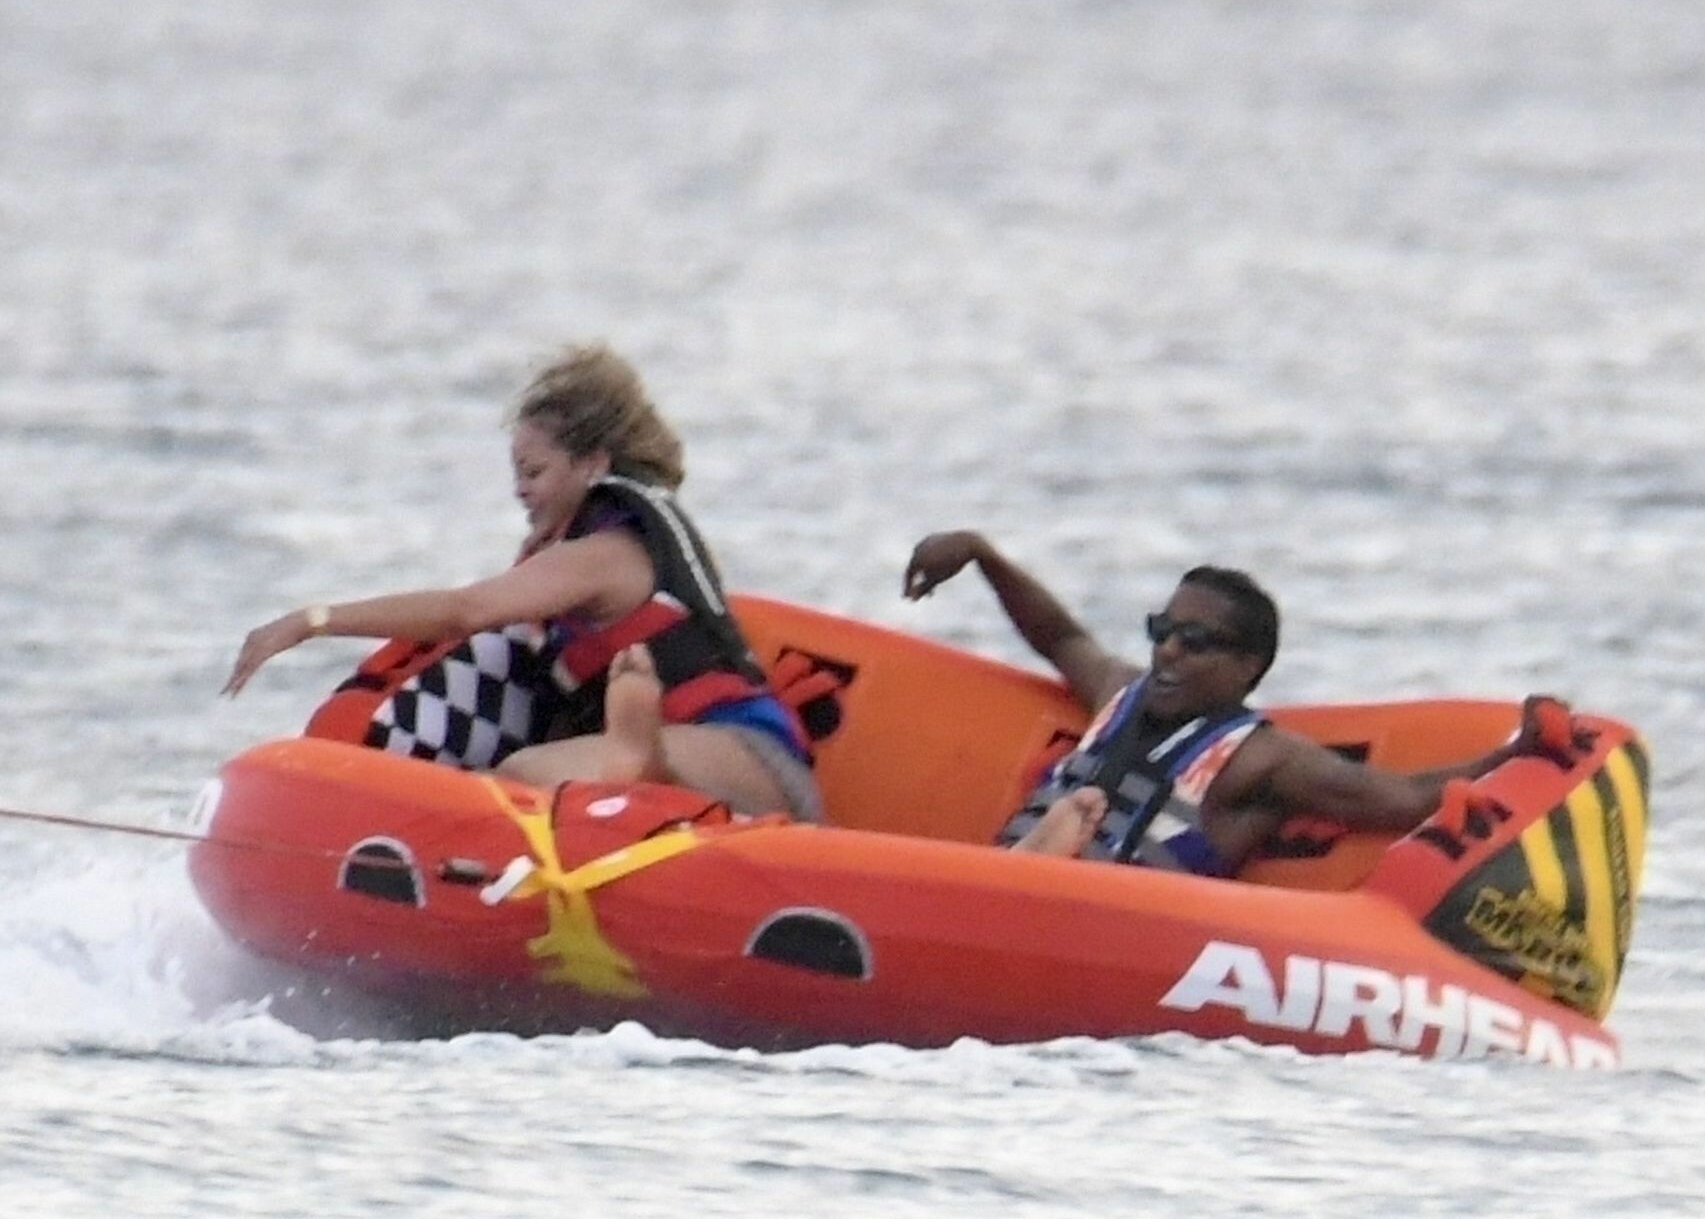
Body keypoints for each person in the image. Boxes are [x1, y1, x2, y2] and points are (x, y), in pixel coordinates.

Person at [223, 343, 823, 820]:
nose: (520, 490)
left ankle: (640, 756)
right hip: (683, 764)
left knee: (518, 779)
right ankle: (632, 758)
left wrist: (313, 621)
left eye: (533, 472)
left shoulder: (608, 552)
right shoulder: (572, 558)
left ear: (593, 465)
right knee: (491, 788)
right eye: (516, 474)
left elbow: (464, 611)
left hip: (749, 757)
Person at [902, 530, 1557, 878]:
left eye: (1195, 642)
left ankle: (1048, 857)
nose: (1168, 652)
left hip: (1115, 923)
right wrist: (981, 555)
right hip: (1000, 886)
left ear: (1248, 666)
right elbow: (1061, 637)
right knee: (1055, 826)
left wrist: (1517, 753)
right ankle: (1036, 857)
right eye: (1162, 631)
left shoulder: (1260, 759)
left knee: (1073, 831)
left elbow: (1403, 799)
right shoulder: (1119, 691)